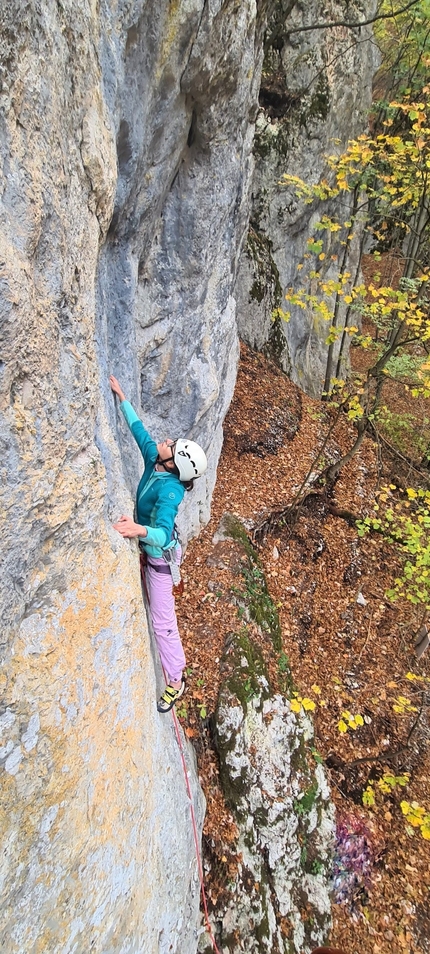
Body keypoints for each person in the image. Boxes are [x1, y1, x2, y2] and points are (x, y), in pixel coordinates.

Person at [109, 374, 208, 713]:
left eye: (173, 445)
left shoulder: (170, 490)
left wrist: (137, 530)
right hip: (152, 551)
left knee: (163, 623)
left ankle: (176, 680)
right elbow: (142, 436)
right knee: (161, 619)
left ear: (173, 463)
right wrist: (123, 399)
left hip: (160, 562)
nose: (166, 440)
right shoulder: (158, 462)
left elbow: (163, 534)